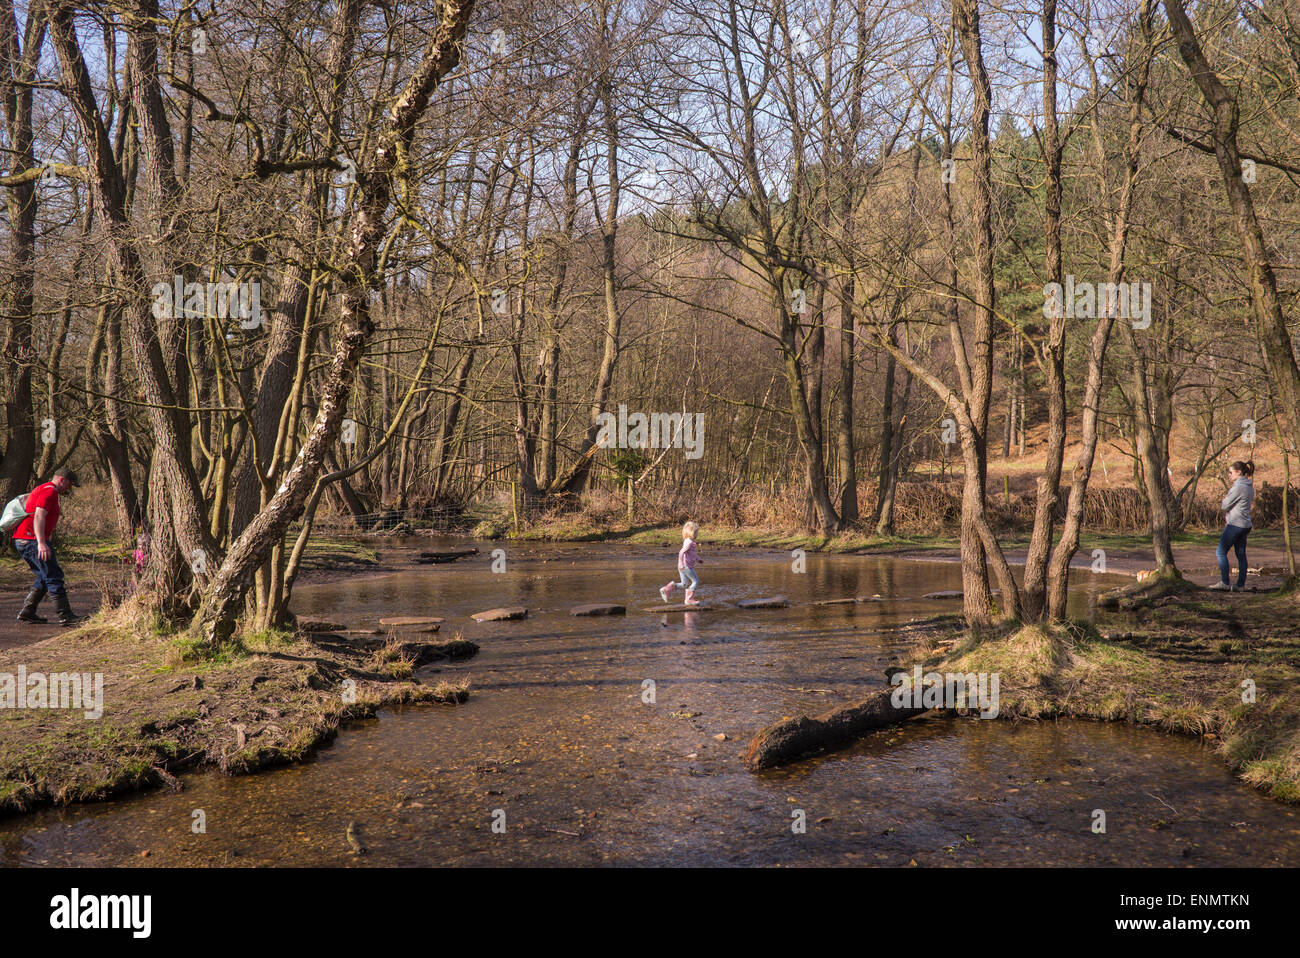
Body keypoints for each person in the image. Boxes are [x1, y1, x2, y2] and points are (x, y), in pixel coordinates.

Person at [13, 467, 81, 625]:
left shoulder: (43, 489)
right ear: (61, 480)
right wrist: (41, 542)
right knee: (54, 575)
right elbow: (39, 516)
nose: (69, 488)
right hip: (31, 540)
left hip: (25, 539)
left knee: (45, 575)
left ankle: (28, 611)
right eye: (69, 484)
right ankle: (66, 616)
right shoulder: (49, 492)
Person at [1210, 460, 1254, 592]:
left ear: (1238, 472)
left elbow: (1224, 505)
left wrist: (1225, 499)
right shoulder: (1249, 485)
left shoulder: (1238, 486)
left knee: (1220, 552)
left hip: (1235, 523)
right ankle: (1240, 585)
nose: (1228, 475)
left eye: (1230, 472)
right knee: (1241, 554)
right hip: (1245, 524)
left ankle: (1224, 582)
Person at [659, 520, 702, 606]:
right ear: (690, 532)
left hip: (682, 566)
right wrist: (682, 563)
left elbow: (691, 554)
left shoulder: (687, 541)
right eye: (696, 532)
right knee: (695, 581)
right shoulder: (689, 543)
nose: (697, 534)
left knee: (684, 585)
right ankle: (689, 599)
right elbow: (681, 552)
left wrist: (698, 559)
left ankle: (666, 589)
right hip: (686, 566)